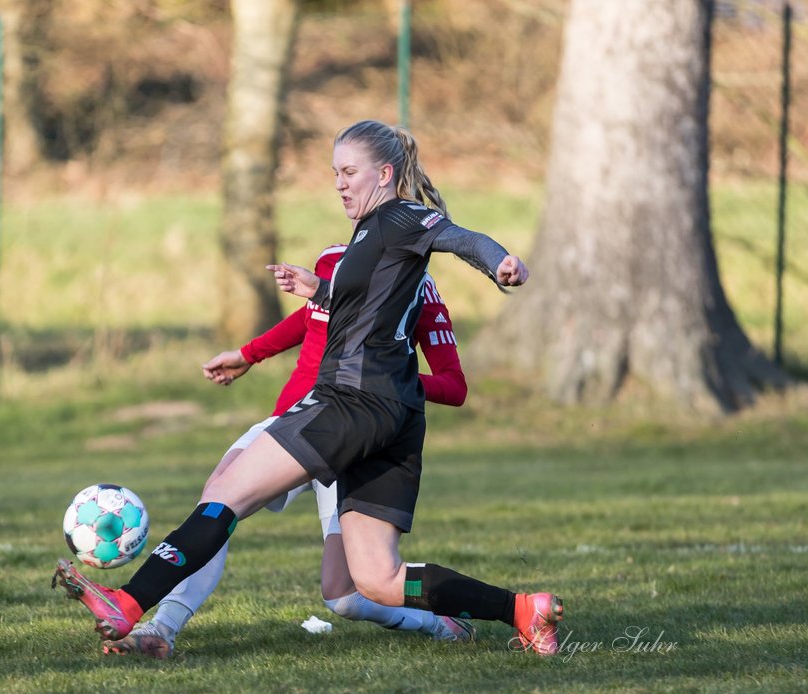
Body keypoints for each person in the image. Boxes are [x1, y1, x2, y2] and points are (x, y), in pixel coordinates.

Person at [54, 119, 564, 656]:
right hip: (394, 416)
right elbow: (362, 307)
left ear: (385, 173)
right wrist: (316, 292)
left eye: (349, 172)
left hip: (349, 402)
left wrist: (499, 263)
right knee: (378, 580)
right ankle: (523, 610)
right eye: (334, 173)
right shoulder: (370, 235)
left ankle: (130, 604)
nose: (339, 183)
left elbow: (461, 238)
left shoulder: (400, 217)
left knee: (224, 497)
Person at [100, 244, 474, 659]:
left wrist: (384, 382)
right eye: (341, 176)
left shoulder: (420, 292)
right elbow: (309, 318)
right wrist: (248, 354)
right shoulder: (335, 261)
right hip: (291, 425)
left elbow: (454, 386)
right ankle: (163, 628)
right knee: (217, 500)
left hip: (355, 438)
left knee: (345, 596)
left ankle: (439, 619)